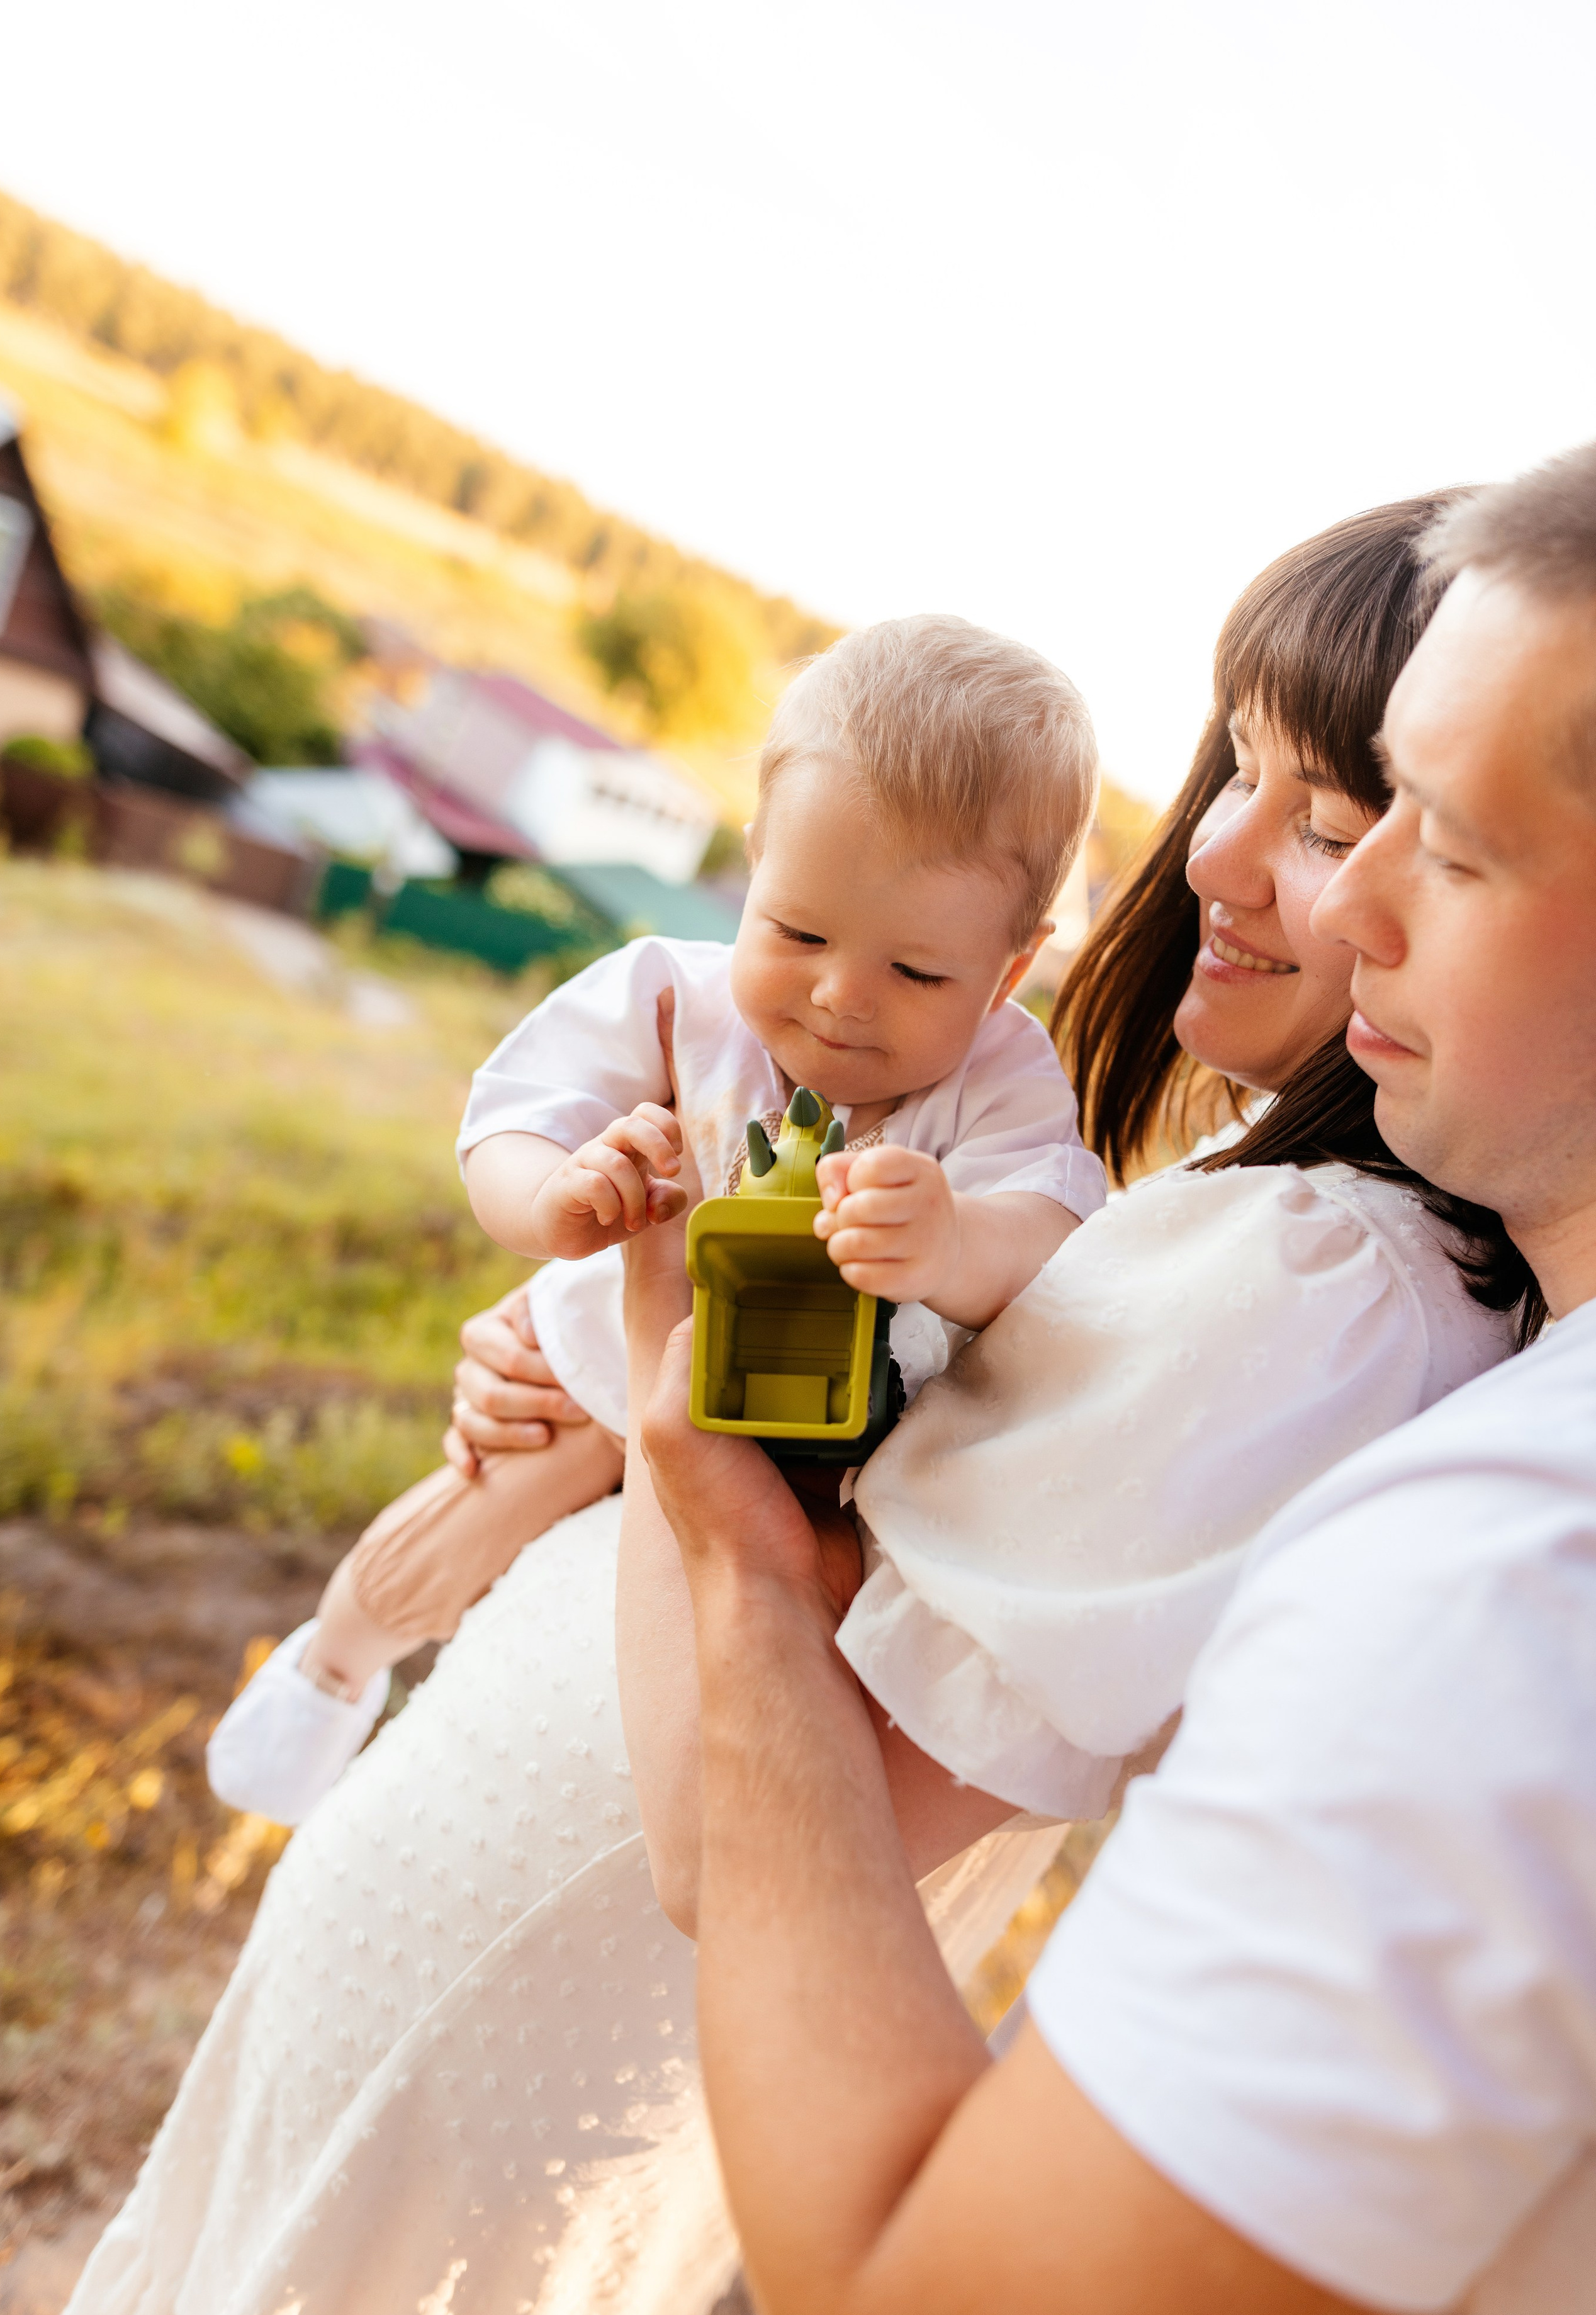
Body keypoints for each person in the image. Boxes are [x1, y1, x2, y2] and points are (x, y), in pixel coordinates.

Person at [18, 493, 1524, 2315]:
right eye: (1238, 764)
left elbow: (753, 1820)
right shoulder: (1261, 1194)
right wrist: (599, 1366)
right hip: (501, 1884)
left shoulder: (1329, 1276)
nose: (1227, 852)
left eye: (1330, 817)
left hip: (558, 1962)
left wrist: (659, 1357)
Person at [638, 443, 1596, 2315]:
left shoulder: (1504, 1583)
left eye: (1443, 837)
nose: (1335, 900)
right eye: (1362, 801)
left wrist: (730, 1553)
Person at [208, 616, 1106, 1826]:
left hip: (813, 1460)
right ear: (753, 867)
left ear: (1008, 969)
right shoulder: (673, 1001)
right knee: (459, 1531)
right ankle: (336, 1665)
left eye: (919, 974)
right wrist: (560, 1202)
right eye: (798, 932)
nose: (842, 998)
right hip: (594, 1383)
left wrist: (954, 1243)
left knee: (685, 1675)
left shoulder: (1001, 1080)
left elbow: (1048, 1232)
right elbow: (510, 1119)